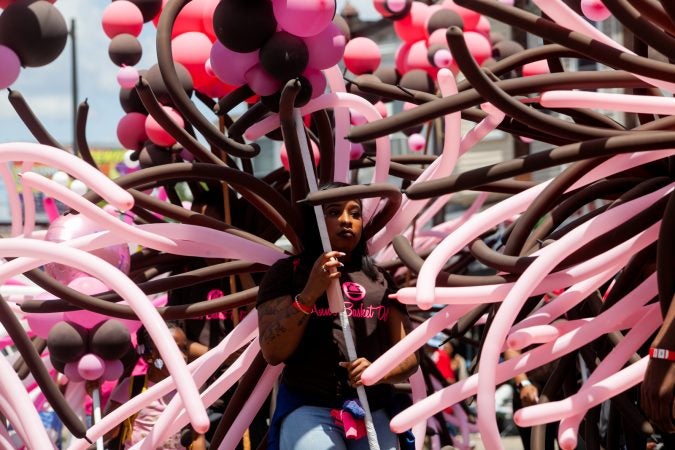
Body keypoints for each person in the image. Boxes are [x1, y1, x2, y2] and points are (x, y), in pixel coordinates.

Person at [256, 182, 419, 450]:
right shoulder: (288, 273)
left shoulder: (380, 280)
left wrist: (377, 370)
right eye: (334, 212)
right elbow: (273, 352)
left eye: (355, 214)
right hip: (309, 407)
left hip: (374, 408)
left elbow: (410, 356)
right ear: (316, 220)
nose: (347, 220)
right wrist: (310, 293)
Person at [104, 322, 206, 450]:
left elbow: (197, 436)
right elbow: (106, 431)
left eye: (184, 349)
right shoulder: (132, 387)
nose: (182, 356)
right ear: (149, 355)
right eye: (172, 349)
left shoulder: (189, 390)